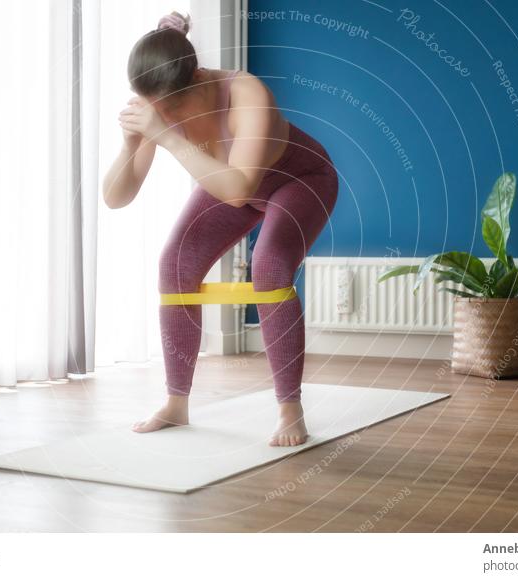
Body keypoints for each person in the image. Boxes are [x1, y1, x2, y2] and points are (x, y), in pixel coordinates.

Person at [102, 11, 338, 446]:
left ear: (195, 78)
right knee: (174, 265)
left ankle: (290, 410)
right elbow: (116, 197)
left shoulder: (245, 93)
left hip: (299, 179)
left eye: (169, 108)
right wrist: (130, 142)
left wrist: (167, 137)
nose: (161, 114)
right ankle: (175, 404)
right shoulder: (159, 98)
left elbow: (238, 189)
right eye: (153, 107)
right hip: (232, 179)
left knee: (268, 267)